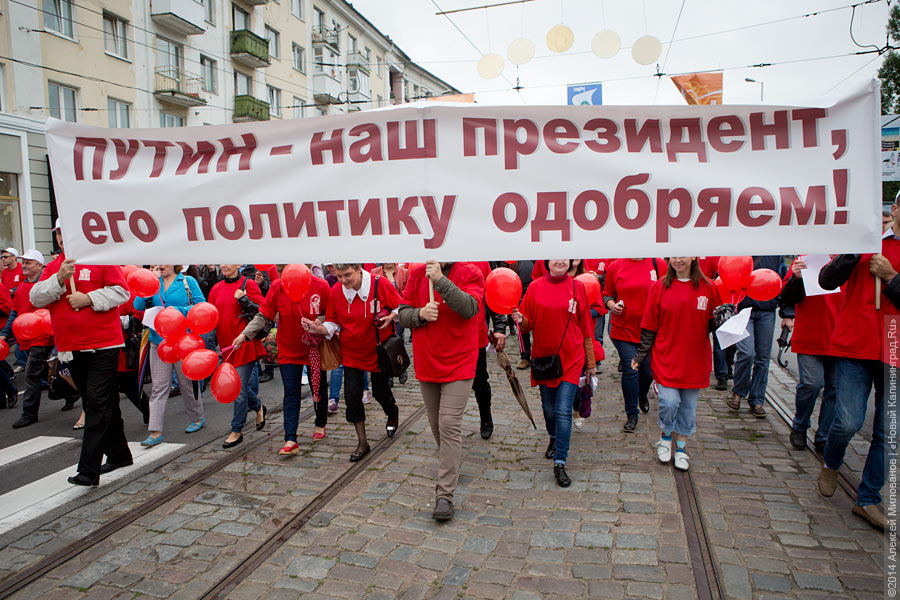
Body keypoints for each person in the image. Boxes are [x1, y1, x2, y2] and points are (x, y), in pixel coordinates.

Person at [815, 208, 900, 530]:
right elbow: (826, 279)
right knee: (847, 421)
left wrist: (892, 278)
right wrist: (852, 252)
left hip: (894, 348)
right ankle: (832, 462)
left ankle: (868, 498)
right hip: (856, 345)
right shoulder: (866, 241)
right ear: (895, 209)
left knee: (888, 434)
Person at [30, 220, 132, 486]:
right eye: (59, 234)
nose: (63, 238)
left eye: (67, 232)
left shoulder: (102, 260)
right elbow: (36, 298)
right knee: (103, 402)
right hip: (71, 348)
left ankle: (88, 469)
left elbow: (121, 292)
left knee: (97, 404)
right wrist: (59, 278)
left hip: (104, 345)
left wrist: (89, 299)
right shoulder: (54, 268)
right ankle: (120, 454)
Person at [399, 260, 483, 520]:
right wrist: (420, 315)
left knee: (449, 424)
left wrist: (440, 281)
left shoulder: (471, 272)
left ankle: (445, 494)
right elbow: (403, 313)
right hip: (428, 361)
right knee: (437, 426)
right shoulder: (415, 274)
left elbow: (470, 308)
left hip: (460, 361)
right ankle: (451, 459)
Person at [632, 257, 722, 471]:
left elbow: (713, 322)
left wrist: (726, 319)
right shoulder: (659, 287)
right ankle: (665, 436)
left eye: (683, 254)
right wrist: (640, 355)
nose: (678, 260)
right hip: (667, 357)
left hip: (695, 359)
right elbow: (649, 325)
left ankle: (681, 448)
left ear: (693, 257)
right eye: (674, 255)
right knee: (670, 402)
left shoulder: (708, 287)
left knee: (688, 408)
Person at [512, 259, 595, 488]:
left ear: (569, 262)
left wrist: (590, 363)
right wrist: (521, 320)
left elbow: (586, 325)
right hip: (544, 360)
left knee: (562, 410)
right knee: (549, 410)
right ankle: (553, 437)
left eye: (564, 257)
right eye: (555, 256)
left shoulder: (578, 287)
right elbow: (528, 325)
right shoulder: (536, 287)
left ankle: (560, 461)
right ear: (547, 261)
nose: (560, 260)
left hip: (571, 358)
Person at [305, 263, 400, 462]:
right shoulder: (336, 291)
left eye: (347, 275)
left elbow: (401, 306)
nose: (343, 281)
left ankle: (392, 412)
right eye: (339, 276)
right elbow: (332, 322)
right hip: (351, 352)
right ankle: (362, 442)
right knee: (352, 396)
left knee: (380, 392)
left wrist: (390, 317)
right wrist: (318, 329)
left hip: (377, 349)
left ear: (358, 269)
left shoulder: (378, 284)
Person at [234, 269, 332, 452]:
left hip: (314, 347)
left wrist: (319, 321)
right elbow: (264, 314)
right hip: (288, 348)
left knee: (318, 388)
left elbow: (332, 313)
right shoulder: (278, 286)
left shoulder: (321, 285)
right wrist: (245, 334)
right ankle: (290, 438)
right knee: (291, 391)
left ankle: (320, 422)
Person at [133, 265, 206, 446]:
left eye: (163, 262)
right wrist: (146, 287)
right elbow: (137, 306)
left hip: (182, 340)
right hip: (158, 341)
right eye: (156, 263)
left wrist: (175, 312)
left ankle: (197, 417)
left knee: (186, 383)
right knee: (159, 386)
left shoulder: (187, 281)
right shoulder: (154, 283)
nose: (160, 266)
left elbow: (200, 306)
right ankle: (155, 431)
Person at [778, 256, 839, 454]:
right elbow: (786, 297)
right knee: (811, 383)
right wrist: (796, 278)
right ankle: (800, 424)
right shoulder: (806, 258)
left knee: (835, 389)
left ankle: (824, 435)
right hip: (811, 336)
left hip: (841, 337)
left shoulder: (851, 257)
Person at [603, 257, 667, 432]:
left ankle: (642, 393)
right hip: (623, 330)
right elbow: (607, 294)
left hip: (650, 331)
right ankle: (631, 414)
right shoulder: (616, 266)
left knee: (648, 371)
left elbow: (668, 292)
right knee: (630, 370)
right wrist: (612, 305)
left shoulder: (658, 264)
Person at [207, 264, 267, 449]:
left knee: (237, 390)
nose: (223, 265)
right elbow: (209, 315)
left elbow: (263, 311)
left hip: (244, 343)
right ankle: (258, 407)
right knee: (238, 387)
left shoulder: (247, 284)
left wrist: (244, 299)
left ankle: (236, 429)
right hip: (226, 346)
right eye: (221, 262)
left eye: (228, 261)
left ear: (238, 264)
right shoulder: (216, 288)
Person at [727, 255, 787, 417]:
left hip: (766, 310)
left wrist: (786, 312)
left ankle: (757, 399)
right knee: (747, 352)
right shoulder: (740, 253)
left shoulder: (775, 256)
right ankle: (738, 392)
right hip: (744, 310)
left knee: (763, 358)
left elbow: (783, 281)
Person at [6, 250, 57, 428]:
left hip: (43, 336)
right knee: (42, 371)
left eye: (29, 262)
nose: (24, 266)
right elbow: (14, 312)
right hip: (25, 337)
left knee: (31, 374)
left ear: (39, 265)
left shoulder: (45, 285)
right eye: (24, 262)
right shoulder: (21, 287)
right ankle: (69, 391)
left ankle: (29, 414)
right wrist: (5, 333)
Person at [471, 262, 508, 439]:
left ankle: (485, 416)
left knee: (479, 382)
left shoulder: (479, 262)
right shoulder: (434, 261)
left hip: (475, 337)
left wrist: (499, 327)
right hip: (445, 339)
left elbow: (492, 295)